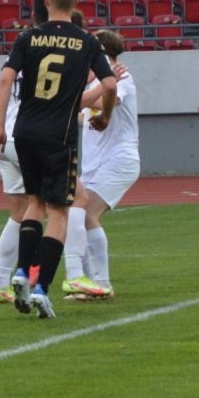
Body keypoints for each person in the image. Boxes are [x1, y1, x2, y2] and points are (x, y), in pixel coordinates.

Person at [0, 0, 117, 319]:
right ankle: (41, 288)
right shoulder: (86, 41)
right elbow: (109, 85)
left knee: (34, 203)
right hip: (59, 135)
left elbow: (5, 79)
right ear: (74, 3)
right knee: (60, 211)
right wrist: (104, 116)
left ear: (46, 1)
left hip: (25, 131)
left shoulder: (27, 37)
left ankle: (22, 272)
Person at [62, 29, 139, 301]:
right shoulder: (94, 83)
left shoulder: (122, 77)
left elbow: (110, 98)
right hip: (94, 164)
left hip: (119, 159)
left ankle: (101, 284)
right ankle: (87, 284)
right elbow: (82, 114)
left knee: (86, 214)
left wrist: (76, 95)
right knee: (76, 216)